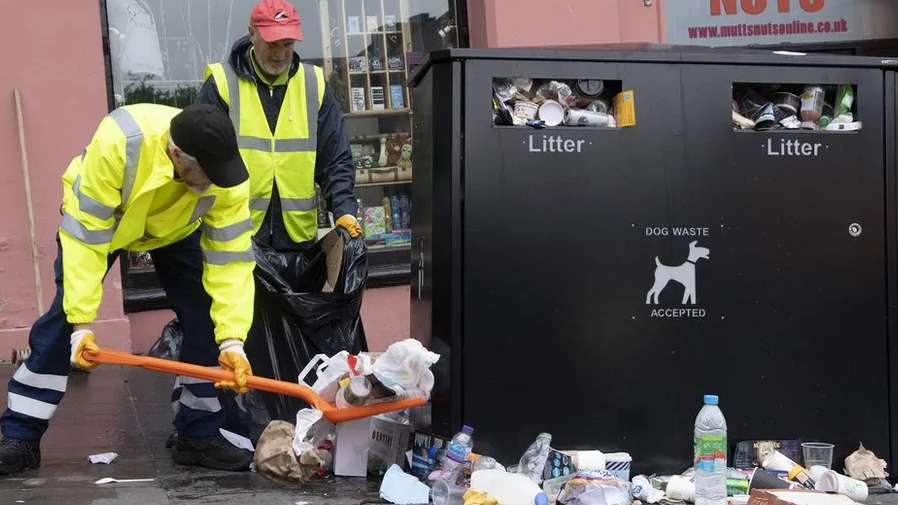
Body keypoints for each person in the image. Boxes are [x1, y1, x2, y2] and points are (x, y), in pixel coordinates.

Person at [0, 103, 258, 475]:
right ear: (176, 154)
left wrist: (232, 340)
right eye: (207, 174)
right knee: (61, 320)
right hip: (102, 226)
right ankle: (21, 437)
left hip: (173, 230)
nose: (217, 181)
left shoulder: (225, 173)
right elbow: (86, 241)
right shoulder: (120, 142)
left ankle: (197, 436)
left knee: (206, 318)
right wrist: (81, 325)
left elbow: (231, 260)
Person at [194, 0, 362, 249]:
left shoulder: (313, 85)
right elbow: (197, 159)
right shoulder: (221, 84)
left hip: (297, 240)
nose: (281, 54)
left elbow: (336, 159)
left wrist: (344, 209)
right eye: (273, 43)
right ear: (252, 33)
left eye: (288, 44)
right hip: (235, 236)